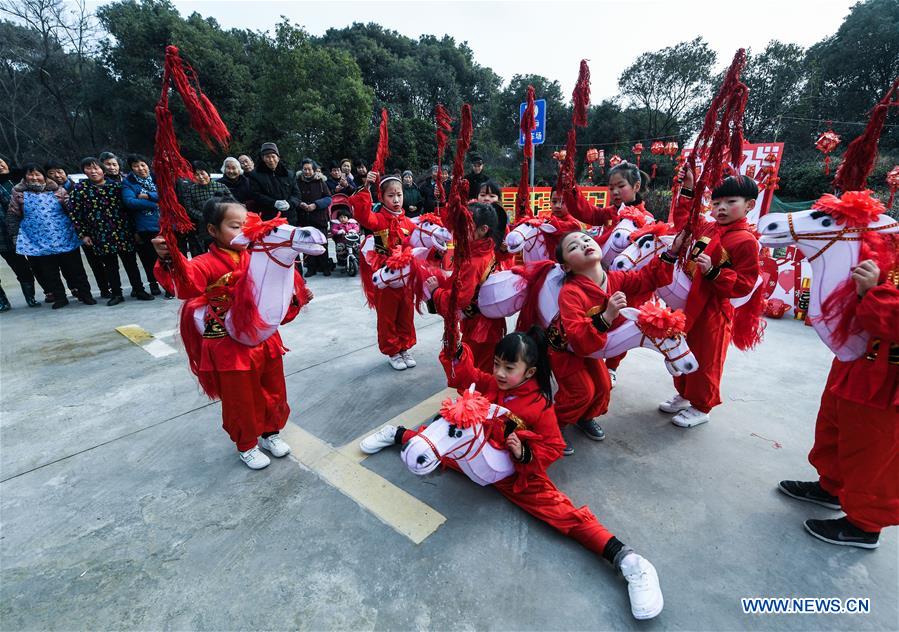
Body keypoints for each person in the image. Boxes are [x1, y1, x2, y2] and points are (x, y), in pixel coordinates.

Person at [359, 329, 665, 621]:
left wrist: (523, 453)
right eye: (496, 364)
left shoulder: (539, 405)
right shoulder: (492, 384)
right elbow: (467, 376)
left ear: (529, 372)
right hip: (477, 458)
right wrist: (456, 351)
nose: (500, 373)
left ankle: (628, 560)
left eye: (509, 367)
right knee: (440, 443)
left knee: (561, 512)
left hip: (514, 473)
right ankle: (398, 434)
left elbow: (554, 446)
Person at [151, 199, 308, 470]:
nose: (244, 232)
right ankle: (246, 444)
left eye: (247, 225)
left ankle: (271, 432)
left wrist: (296, 297)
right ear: (213, 230)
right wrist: (169, 257)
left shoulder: (259, 256)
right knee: (240, 397)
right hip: (228, 344)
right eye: (235, 226)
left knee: (274, 388)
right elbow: (185, 284)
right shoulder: (205, 263)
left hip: (263, 339)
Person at [550, 230, 682, 453]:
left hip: (592, 348)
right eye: (573, 247)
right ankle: (554, 426)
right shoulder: (570, 293)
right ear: (566, 267)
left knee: (602, 388)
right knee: (581, 392)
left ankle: (584, 417)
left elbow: (646, 278)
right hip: (566, 349)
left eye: (586, 240)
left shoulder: (615, 279)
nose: (583, 245)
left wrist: (672, 252)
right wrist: (607, 315)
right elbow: (577, 337)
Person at [660, 171, 761, 428]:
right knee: (683, 350)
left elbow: (745, 284)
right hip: (688, 303)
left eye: (730, 202)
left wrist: (714, 272)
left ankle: (702, 406)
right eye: (716, 203)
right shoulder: (707, 227)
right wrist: (688, 188)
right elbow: (685, 220)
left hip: (713, 310)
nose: (722, 208)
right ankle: (684, 395)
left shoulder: (746, 241)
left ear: (749, 205)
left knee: (707, 358)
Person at [564, 162, 657, 383]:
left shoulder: (646, 220)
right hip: (599, 277)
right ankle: (591, 356)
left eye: (620, 186)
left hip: (625, 281)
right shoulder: (611, 213)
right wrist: (570, 187)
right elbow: (585, 212)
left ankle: (612, 366)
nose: (614, 192)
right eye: (611, 187)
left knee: (620, 323)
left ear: (636, 186)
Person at [425, 203, 506, 372]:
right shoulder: (486, 248)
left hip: (480, 328)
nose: (458, 231)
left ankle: (476, 398)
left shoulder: (473, 261)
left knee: (476, 370)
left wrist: (436, 292)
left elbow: (460, 299)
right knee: (486, 366)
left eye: (465, 227)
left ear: (483, 229)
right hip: (488, 322)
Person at [349, 172, 417, 370]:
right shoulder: (378, 219)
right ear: (382, 197)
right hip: (385, 278)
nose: (396, 200)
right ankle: (393, 351)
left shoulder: (409, 223)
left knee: (406, 313)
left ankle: (404, 347)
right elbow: (362, 215)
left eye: (399, 195)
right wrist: (367, 187)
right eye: (390, 195)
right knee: (387, 316)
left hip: (405, 280)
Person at [6, 163, 95, 309]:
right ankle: (60, 298)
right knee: (50, 272)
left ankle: (86, 295)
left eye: (38, 174)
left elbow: (71, 210)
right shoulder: (18, 193)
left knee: (76, 269)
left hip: (65, 236)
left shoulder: (58, 190)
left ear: (44, 176)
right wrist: (15, 236)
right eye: (30, 174)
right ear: (25, 177)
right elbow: (13, 215)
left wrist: (81, 230)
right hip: (38, 240)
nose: (34, 177)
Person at [67, 156, 153, 305]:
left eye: (96, 168)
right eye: (89, 168)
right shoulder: (79, 190)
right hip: (100, 234)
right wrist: (83, 234)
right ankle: (117, 294)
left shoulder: (116, 187)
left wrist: (135, 231)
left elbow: (129, 210)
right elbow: (75, 214)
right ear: (84, 171)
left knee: (131, 263)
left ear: (102, 170)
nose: (93, 171)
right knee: (110, 266)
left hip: (123, 232)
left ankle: (139, 290)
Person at [0, 157, 43, 311]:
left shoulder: (17, 180)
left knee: (21, 267)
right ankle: (2, 301)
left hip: (9, 233)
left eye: (0, 162)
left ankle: (30, 297)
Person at [122, 154, 168, 297]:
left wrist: (148, 195)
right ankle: (153, 284)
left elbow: (166, 195)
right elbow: (130, 202)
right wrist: (155, 204)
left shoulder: (157, 178)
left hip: (164, 224)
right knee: (149, 259)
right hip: (145, 227)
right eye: (136, 166)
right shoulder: (128, 182)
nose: (140, 168)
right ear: (131, 169)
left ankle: (168, 285)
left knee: (166, 258)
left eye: (142, 165)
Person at [295, 158, 333, 276]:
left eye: (309, 169)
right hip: (304, 218)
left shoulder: (321, 182)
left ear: (314, 170)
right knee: (307, 244)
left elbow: (328, 198)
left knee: (322, 242)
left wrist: (315, 205)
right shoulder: (297, 182)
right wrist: (300, 203)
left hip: (319, 218)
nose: (307, 171)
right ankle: (311, 268)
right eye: (305, 169)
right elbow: (294, 196)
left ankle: (325, 266)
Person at [247, 143, 301, 223]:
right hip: (268, 219)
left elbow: (297, 195)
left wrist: (290, 203)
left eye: (273, 156)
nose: (271, 160)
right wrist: (273, 203)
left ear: (278, 158)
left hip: (290, 218)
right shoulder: (255, 175)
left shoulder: (289, 174)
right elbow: (256, 195)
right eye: (267, 157)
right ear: (263, 158)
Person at [184, 161, 230, 251]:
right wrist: (204, 216)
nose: (200, 177)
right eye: (197, 175)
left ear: (208, 173)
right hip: (203, 227)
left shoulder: (221, 186)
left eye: (202, 173)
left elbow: (231, 203)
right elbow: (189, 208)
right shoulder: (191, 190)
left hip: (221, 224)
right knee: (207, 251)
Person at [329, 199, 360, 268]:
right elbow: (333, 230)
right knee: (340, 248)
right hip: (341, 241)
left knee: (358, 247)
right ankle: (342, 260)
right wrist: (339, 231)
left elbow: (357, 228)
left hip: (352, 241)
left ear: (348, 218)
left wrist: (353, 230)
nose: (342, 219)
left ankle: (358, 258)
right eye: (341, 217)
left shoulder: (352, 223)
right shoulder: (337, 224)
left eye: (344, 217)